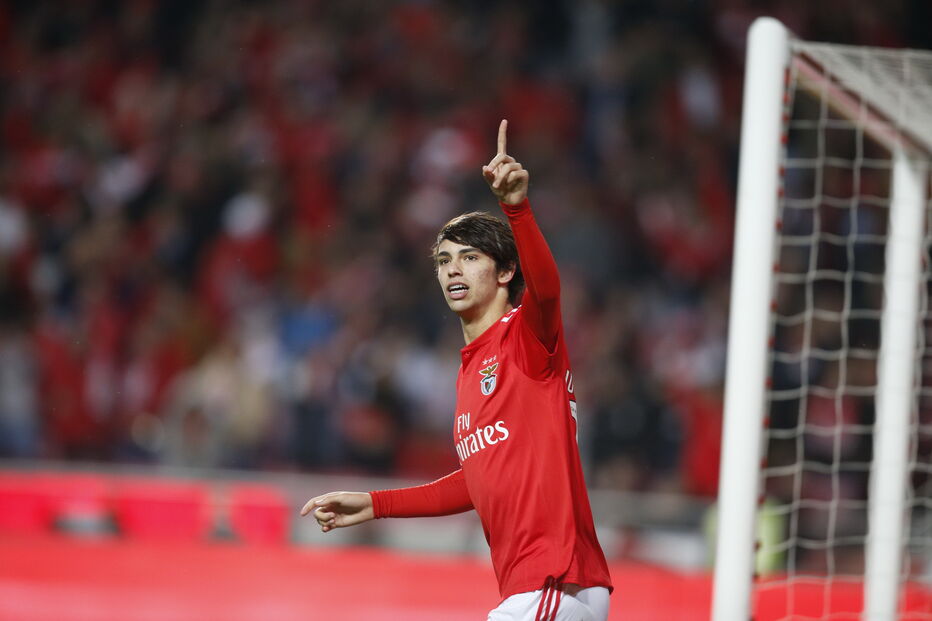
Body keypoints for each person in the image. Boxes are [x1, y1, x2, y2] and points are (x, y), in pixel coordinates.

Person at [302, 120, 613, 621]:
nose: (452, 270)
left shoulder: (525, 338)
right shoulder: (470, 371)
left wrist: (517, 209)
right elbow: (474, 483)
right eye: (444, 261)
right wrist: (375, 504)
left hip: (555, 581)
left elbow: (550, 292)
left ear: (505, 272)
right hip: (535, 589)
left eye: (469, 258)